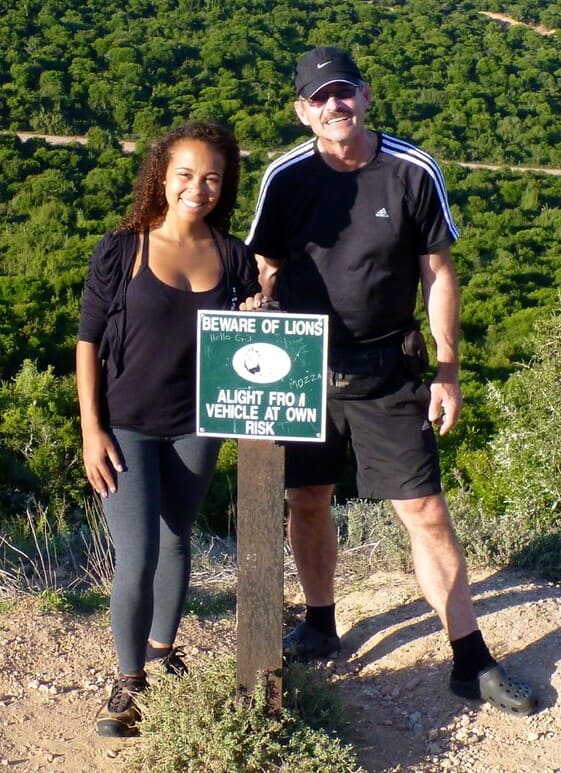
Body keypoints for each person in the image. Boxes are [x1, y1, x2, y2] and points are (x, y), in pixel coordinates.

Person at [244, 47, 536, 715]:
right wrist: (255, 319)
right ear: (302, 111)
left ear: (366, 96)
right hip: (299, 367)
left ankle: (470, 660)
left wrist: (447, 369)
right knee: (307, 498)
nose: (334, 106)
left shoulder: (412, 169)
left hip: (387, 366)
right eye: (319, 98)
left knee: (424, 511)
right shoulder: (285, 176)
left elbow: (437, 272)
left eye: (343, 92)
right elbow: (265, 263)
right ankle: (320, 623)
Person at [77, 121, 261, 737]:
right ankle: (128, 683)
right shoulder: (122, 249)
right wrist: (92, 429)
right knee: (138, 555)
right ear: (161, 175)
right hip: (125, 424)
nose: (197, 188)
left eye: (212, 178)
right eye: (186, 174)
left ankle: (162, 651)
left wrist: (259, 310)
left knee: (178, 540)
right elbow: (87, 342)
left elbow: (248, 339)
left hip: (197, 423)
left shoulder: (233, 257)